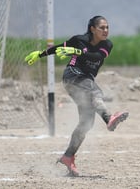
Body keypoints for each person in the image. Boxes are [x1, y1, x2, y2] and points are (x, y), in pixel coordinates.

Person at [24, 15, 128, 176]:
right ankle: (108, 118)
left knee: (86, 123)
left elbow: (97, 57)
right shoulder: (79, 39)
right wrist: (40, 54)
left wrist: (77, 52)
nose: (105, 30)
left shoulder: (107, 44)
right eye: (102, 27)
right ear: (92, 29)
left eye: (107, 27)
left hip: (84, 82)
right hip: (72, 76)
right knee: (95, 91)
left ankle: (68, 156)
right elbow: (58, 48)